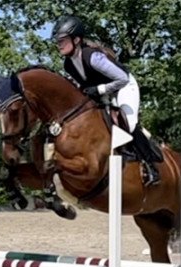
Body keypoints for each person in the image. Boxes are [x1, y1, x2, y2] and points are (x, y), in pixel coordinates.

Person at [51, 15, 161, 186]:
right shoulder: (68, 64)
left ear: (77, 39)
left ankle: (151, 166)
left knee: (128, 123)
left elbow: (122, 78)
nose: (59, 44)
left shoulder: (93, 57)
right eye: (58, 41)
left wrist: (99, 90)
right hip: (103, 92)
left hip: (124, 87)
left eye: (63, 40)